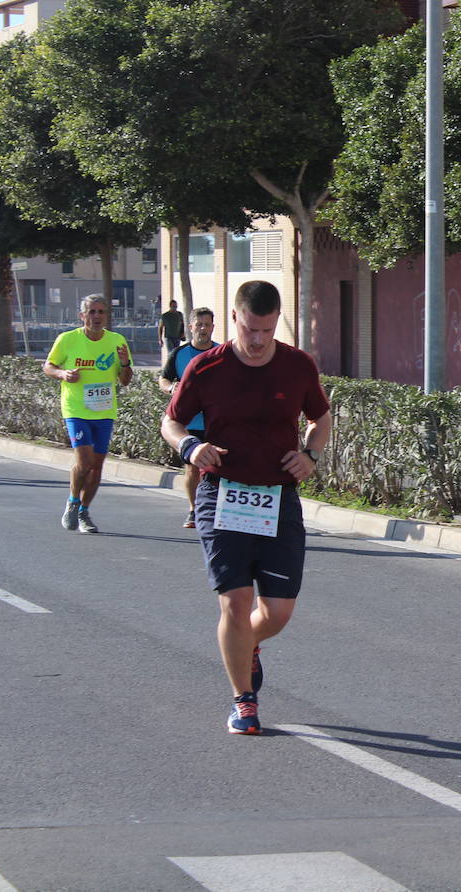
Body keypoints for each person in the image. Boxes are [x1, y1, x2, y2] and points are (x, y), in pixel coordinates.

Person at [161, 280, 331, 736]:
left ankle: (245, 646)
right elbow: (171, 421)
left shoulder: (297, 366)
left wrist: (310, 455)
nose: (258, 341)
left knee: (277, 613)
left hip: (278, 498)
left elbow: (321, 417)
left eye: (268, 330)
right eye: (251, 329)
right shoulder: (206, 367)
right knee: (235, 605)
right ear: (234, 318)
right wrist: (190, 447)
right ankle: (244, 701)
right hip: (223, 494)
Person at [43, 293, 134, 535]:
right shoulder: (67, 339)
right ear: (82, 316)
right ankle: (73, 502)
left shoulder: (117, 341)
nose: (96, 316)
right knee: (84, 462)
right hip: (76, 409)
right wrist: (63, 374)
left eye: (101, 312)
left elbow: (124, 381)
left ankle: (84, 511)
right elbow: (48, 366)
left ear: (107, 315)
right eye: (91, 312)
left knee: (97, 467)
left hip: (104, 410)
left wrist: (125, 364)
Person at [158, 307, 216, 528]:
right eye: (198, 325)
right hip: (189, 422)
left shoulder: (223, 353)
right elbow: (163, 379)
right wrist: (171, 387)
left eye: (207, 325)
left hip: (217, 422)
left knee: (216, 468)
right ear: (190, 327)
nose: (203, 329)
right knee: (192, 466)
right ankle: (194, 510)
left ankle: (213, 509)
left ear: (213, 327)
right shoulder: (179, 354)